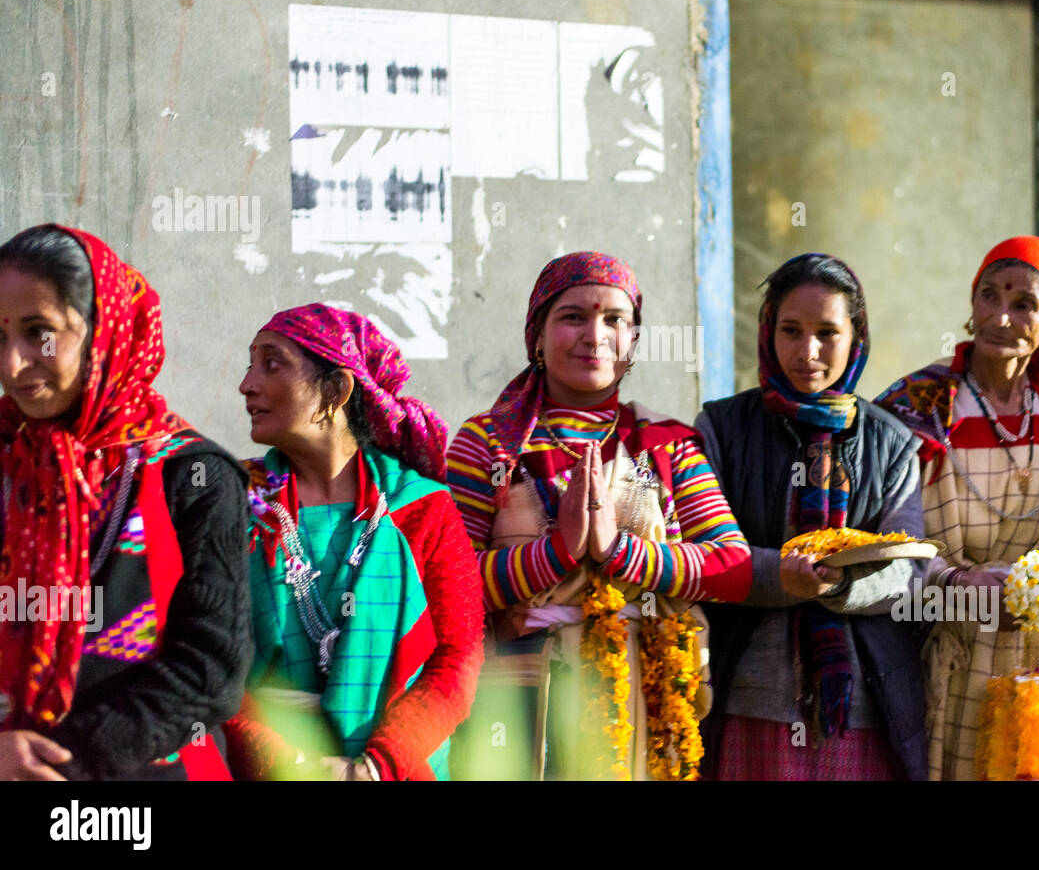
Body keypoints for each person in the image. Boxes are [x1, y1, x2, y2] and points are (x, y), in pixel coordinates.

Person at [446, 251, 751, 780]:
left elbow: (732, 569)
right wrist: (556, 551)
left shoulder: (668, 445)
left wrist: (619, 552)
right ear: (536, 336)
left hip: (645, 701)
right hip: (517, 702)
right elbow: (450, 585)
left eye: (615, 319)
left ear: (633, 341)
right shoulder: (487, 444)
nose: (595, 334)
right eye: (572, 317)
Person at [0, 224, 252, 780]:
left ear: (103, 332)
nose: (14, 364)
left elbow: (212, 670)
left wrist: (62, 761)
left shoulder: (195, 475)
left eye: (39, 333)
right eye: (0, 336)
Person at [877, 236, 1039, 780]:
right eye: (988, 296)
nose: (1001, 317)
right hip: (951, 649)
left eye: (1024, 303)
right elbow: (885, 536)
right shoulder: (920, 404)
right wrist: (956, 586)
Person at [695, 253, 928, 781]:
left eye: (828, 332)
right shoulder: (722, 430)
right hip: (745, 698)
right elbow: (701, 553)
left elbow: (909, 573)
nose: (809, 352)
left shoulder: (890, 443)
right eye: (791, 330)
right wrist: (780, 574)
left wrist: (840, 584)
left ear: (857, 335)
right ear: (767, 330)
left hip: (860, 707)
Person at [226, 304, 483, 780]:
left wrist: (377, 768)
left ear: (337, 389)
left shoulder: (422, 509)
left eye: (271, 363)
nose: (247, 384)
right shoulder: (236, 504)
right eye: (250, 363)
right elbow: (211, 657)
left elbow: (457, 659)